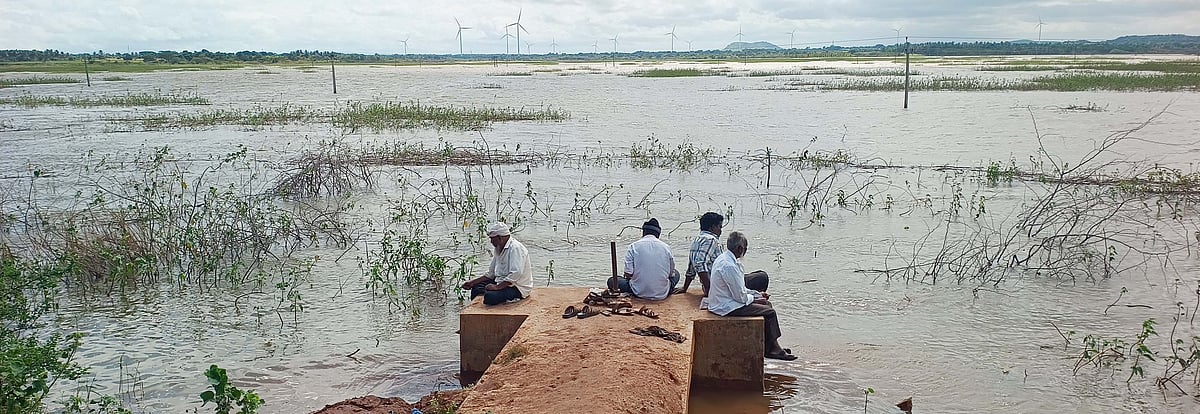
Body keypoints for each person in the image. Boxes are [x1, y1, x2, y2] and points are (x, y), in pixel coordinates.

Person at [707, 231, 796, 361]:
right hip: (726, 307)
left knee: (767, 305)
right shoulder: (729, 266)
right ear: (740, 249)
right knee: (770, 312)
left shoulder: (724, 258)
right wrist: (755, 298)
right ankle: (774, 350)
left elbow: (741, 289)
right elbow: (741, 298)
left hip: (725, 301)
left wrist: (757, 294)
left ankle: (771, 346)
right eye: (745, 248)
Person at [674, 212, 768, 295]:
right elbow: (700, 263)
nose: (721, 230)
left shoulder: (697, 240)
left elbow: (692, 266)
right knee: (762, 277)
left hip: (717, 285)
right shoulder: (711, 240)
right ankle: (750, 302)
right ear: (712, 227)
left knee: (756, 274)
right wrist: (709, 289)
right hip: (721, 286)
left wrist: (685, 287)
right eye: (719, 227)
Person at [460, 222, 534, 305]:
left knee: (490, 297)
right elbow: (491, 273)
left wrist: (497, 287)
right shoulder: (498, 248)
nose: (491, 242)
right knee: (476, 288)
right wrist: (472, 282)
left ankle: (512, 299)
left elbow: (516, 274)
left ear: (499, 238)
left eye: (492, 239)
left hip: (517, 287)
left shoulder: (515, 248)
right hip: (501, 281)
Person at [607, 218, 679, 300]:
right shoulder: (666, 247)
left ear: (644, 232)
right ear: (658, 234)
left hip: (638, 292)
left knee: (612, 280)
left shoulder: (633, 246)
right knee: (676, 273)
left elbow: (628, 274)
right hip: (662, 293)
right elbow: (671, 274)